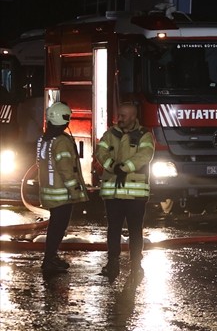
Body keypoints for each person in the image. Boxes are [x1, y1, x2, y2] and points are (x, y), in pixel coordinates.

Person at [97, 102, 155, 277]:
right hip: (113, 193)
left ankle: (136, 265)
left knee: (135, 230)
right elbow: (101, 153)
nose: (119, 119)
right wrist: (114, 167)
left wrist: (124, 168)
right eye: (119, 115)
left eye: (123, 116)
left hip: (135, 194)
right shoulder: (110, 134)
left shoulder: (145, 135)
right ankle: (112, 263)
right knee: (113, 229)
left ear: (132, 117)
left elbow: (145, 155)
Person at [36, 101, 89, 273]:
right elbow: (66, 169)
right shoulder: (62, 141)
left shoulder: (45, 139)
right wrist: (75, 191)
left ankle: (51, 257)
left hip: (50, 192)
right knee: (58, 227)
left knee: (55, 226)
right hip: (62, 194)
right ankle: (50, 259)